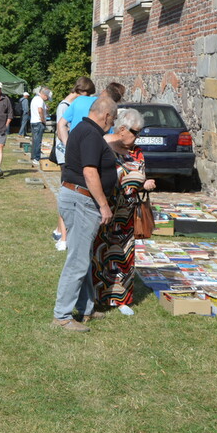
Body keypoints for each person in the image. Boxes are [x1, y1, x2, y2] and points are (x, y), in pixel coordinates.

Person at [52, 96, 118, 333]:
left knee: (82, 255)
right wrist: (103, 205)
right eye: (113, 120)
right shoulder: (90, 134)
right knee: (78, 260)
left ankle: (86, 307)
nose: (112, 125)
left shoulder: (81, 128)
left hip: (75, 197)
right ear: (107, 115)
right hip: (82, 200)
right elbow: (90, 172)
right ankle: (62, 315)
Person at [90, 108, 157, 310]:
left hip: (126, 213)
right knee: (100, 255)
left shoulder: (136, 152)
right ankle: (97, 298)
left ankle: (121, 300)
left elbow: (140, 175)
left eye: (139, 132)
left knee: (124, 257)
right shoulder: (104, 145)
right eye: (135, 132)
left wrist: (145, 184)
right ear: (121, 129)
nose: (138, 136)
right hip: (105, 209)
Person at [51, 77, 95, 250]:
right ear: (79, 92)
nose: (88, 99)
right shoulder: (65, 106)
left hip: (69, 153)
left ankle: (59, 230)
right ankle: (62, 235)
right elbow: (61, 128)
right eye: (87, 95)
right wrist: (71, 148)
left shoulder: (71, 105)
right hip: (66, 154)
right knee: (67, 192)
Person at [30, 86, 50, 166]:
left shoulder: (35, 99)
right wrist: (43, 119)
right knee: (38, 140)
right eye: (47, 96)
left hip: (33, 121)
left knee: (35, 140)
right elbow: (40, 110)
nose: (47, 98)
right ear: (43, 94)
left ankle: (33, 156)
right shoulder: (39, 100)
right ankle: (36, 158)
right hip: (38, 122)